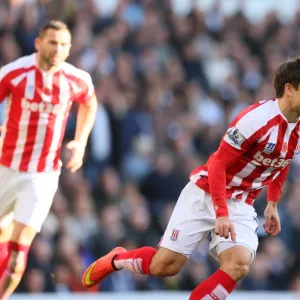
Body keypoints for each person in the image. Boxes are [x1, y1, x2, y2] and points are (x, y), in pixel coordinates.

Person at [82, 56, 300, 299]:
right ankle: (117, 260)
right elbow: (218, 165)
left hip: (241, 202)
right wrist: (221, 212)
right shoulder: (256, 119)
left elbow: (283, 160)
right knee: (165, 266)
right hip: (207, 192)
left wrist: (272, 203)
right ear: (289, 89)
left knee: (239, 264)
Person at [0, 20, 97, 299]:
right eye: (52, 42)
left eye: (63, 44)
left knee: (19, 253)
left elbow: (90, 103)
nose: (57, 49)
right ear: (38, 43)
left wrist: (80, 141)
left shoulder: (76, 79)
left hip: (42, 176)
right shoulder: (15, 73)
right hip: (6, 167)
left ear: (69, 48)